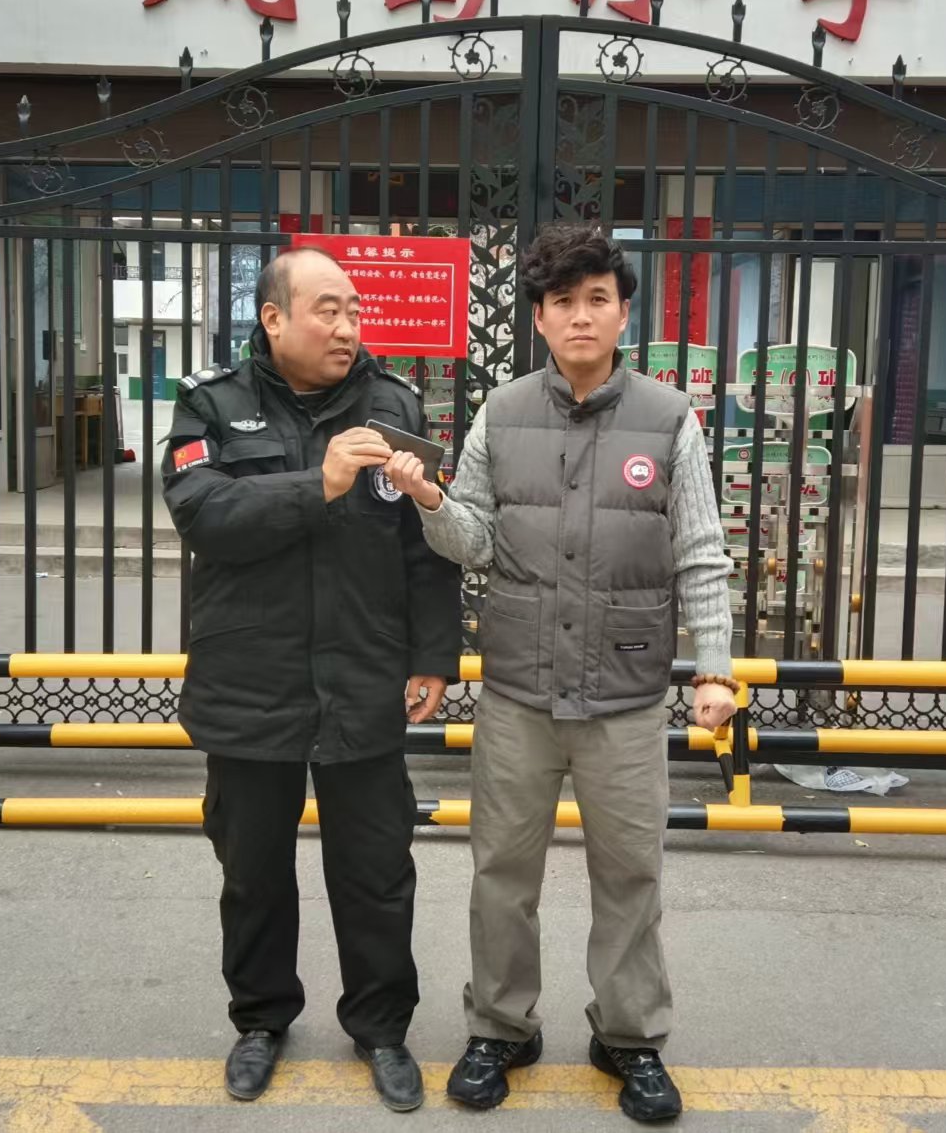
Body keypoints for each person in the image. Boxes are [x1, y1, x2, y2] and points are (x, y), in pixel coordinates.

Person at [382, 222, 738, 1124]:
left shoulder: (670, 418)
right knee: (503, 869)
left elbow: (700, 549)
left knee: (631, 873)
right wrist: (430, 500)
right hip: (519, 692)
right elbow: (473, 539)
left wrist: (715, 669)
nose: (581, 315)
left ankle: (630, 1037)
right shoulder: (501, 414)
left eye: (597, 299)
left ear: (622, 313)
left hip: (627, 695)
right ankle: (500, 1025)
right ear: (539, 317)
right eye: (562, 301)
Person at [161, 246, 462, 1112]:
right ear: (274, 318)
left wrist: (433, 656)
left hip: (363, 674)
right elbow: (203, 514)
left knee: (377, 870)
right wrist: (318, 482)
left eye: (354, 310)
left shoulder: (393, 408)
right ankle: (260, 1019)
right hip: (249, 677)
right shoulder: (210, 405)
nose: (346, 326)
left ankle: (382, 1028)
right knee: (252, 868)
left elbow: (425, 548)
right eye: (327, 308)